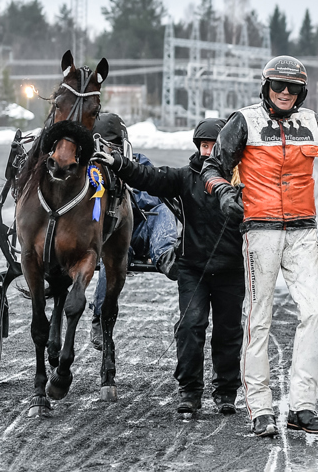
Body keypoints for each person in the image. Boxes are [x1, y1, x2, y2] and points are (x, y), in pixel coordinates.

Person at [201, 55, 318, 437]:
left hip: (302, 232)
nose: (285, 92)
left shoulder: (313, 122)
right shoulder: (243, 121)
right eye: (278, 86)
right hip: (260, 229)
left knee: (316, 312)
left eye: (293, 87)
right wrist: (224, 192)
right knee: (259, 318)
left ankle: (302, 407)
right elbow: (212, 167)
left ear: (302, 91)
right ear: (265, 87)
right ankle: (260, 409)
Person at [92, 118, 245, 416]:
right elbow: (147, 177)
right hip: (193, 270)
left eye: (213, 145)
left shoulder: (243, 181)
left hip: (231, 271)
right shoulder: (184, 177)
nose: (208, 151)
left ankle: (226, 393)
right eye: (203, 145)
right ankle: (190, 392)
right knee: (190, 327)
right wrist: (119, 163)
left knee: (228, 332)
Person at [88, 113, 178, 349]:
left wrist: (130, 187)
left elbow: (154, 198)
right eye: (109, 144)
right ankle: (99, 317)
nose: (114, 149)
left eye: (118, 144)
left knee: (164, 208)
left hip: (140, 231)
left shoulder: (138, 161)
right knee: (114, 254)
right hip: (109, 238)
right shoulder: (90, 170)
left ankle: (166, 256)